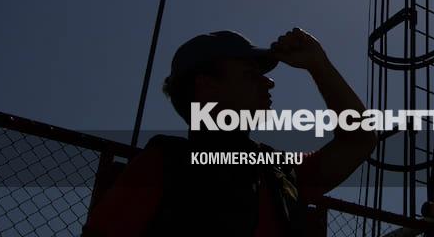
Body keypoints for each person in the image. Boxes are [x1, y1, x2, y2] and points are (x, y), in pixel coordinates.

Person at [82, 28, 377, 236]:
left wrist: (319, 64)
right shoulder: (164, 165)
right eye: (251, 75)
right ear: (207, 87)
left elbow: (360, 139)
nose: (269, 83)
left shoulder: (276, 170)